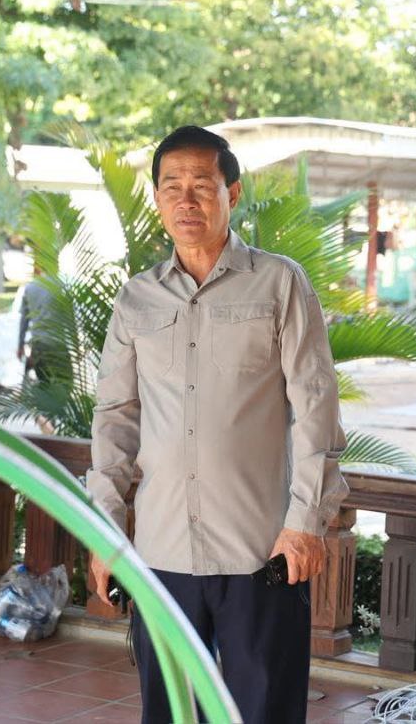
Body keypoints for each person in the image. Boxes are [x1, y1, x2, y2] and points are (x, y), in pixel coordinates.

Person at [86, 125, 348, 724]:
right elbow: (115, 420)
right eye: (171, 186)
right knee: (171, 712)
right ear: (157, 198)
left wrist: (305, 523)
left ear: (231, 192)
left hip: (261, 550)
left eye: (201, 184)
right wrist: (105, 532)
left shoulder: (279, 282)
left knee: (265, 711)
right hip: (162, 551)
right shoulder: (136, 300)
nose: (186, 200)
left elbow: (317, 406)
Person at [16, 268, 52, 378]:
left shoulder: (30, 287)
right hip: (59, 345)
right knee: (64, 383)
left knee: (44, 383)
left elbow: (24, 321)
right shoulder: (62, 286)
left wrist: (20, 345)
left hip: (39, 345)